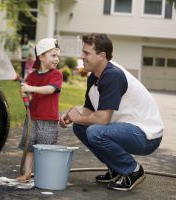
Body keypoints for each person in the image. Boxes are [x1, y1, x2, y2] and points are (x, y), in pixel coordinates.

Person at [60, 33, 164, 191]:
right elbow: (89, 109)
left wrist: (79, 117)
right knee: (80, 127)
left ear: (101, 56)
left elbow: (102, 119)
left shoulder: (113, 75)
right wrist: (72, 117)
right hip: (126, 129)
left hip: (146, 135)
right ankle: (117, 169)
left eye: (86, 53)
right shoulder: (94, 76)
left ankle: (132, 170)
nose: (81, 56)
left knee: (96, 131)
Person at [16, 38, 63, 182]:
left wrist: (30, 88)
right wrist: (25, 93)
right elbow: (30, 98)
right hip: (32, 119)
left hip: (48, 120)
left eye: (58, 56)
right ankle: (27, 173)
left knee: (45, 150)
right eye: (53, 55)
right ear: (41, 56)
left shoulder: (56, 74)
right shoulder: (31, 76)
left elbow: (51, 89)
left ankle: (45, 176)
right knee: (29, 147)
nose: (57, 59)